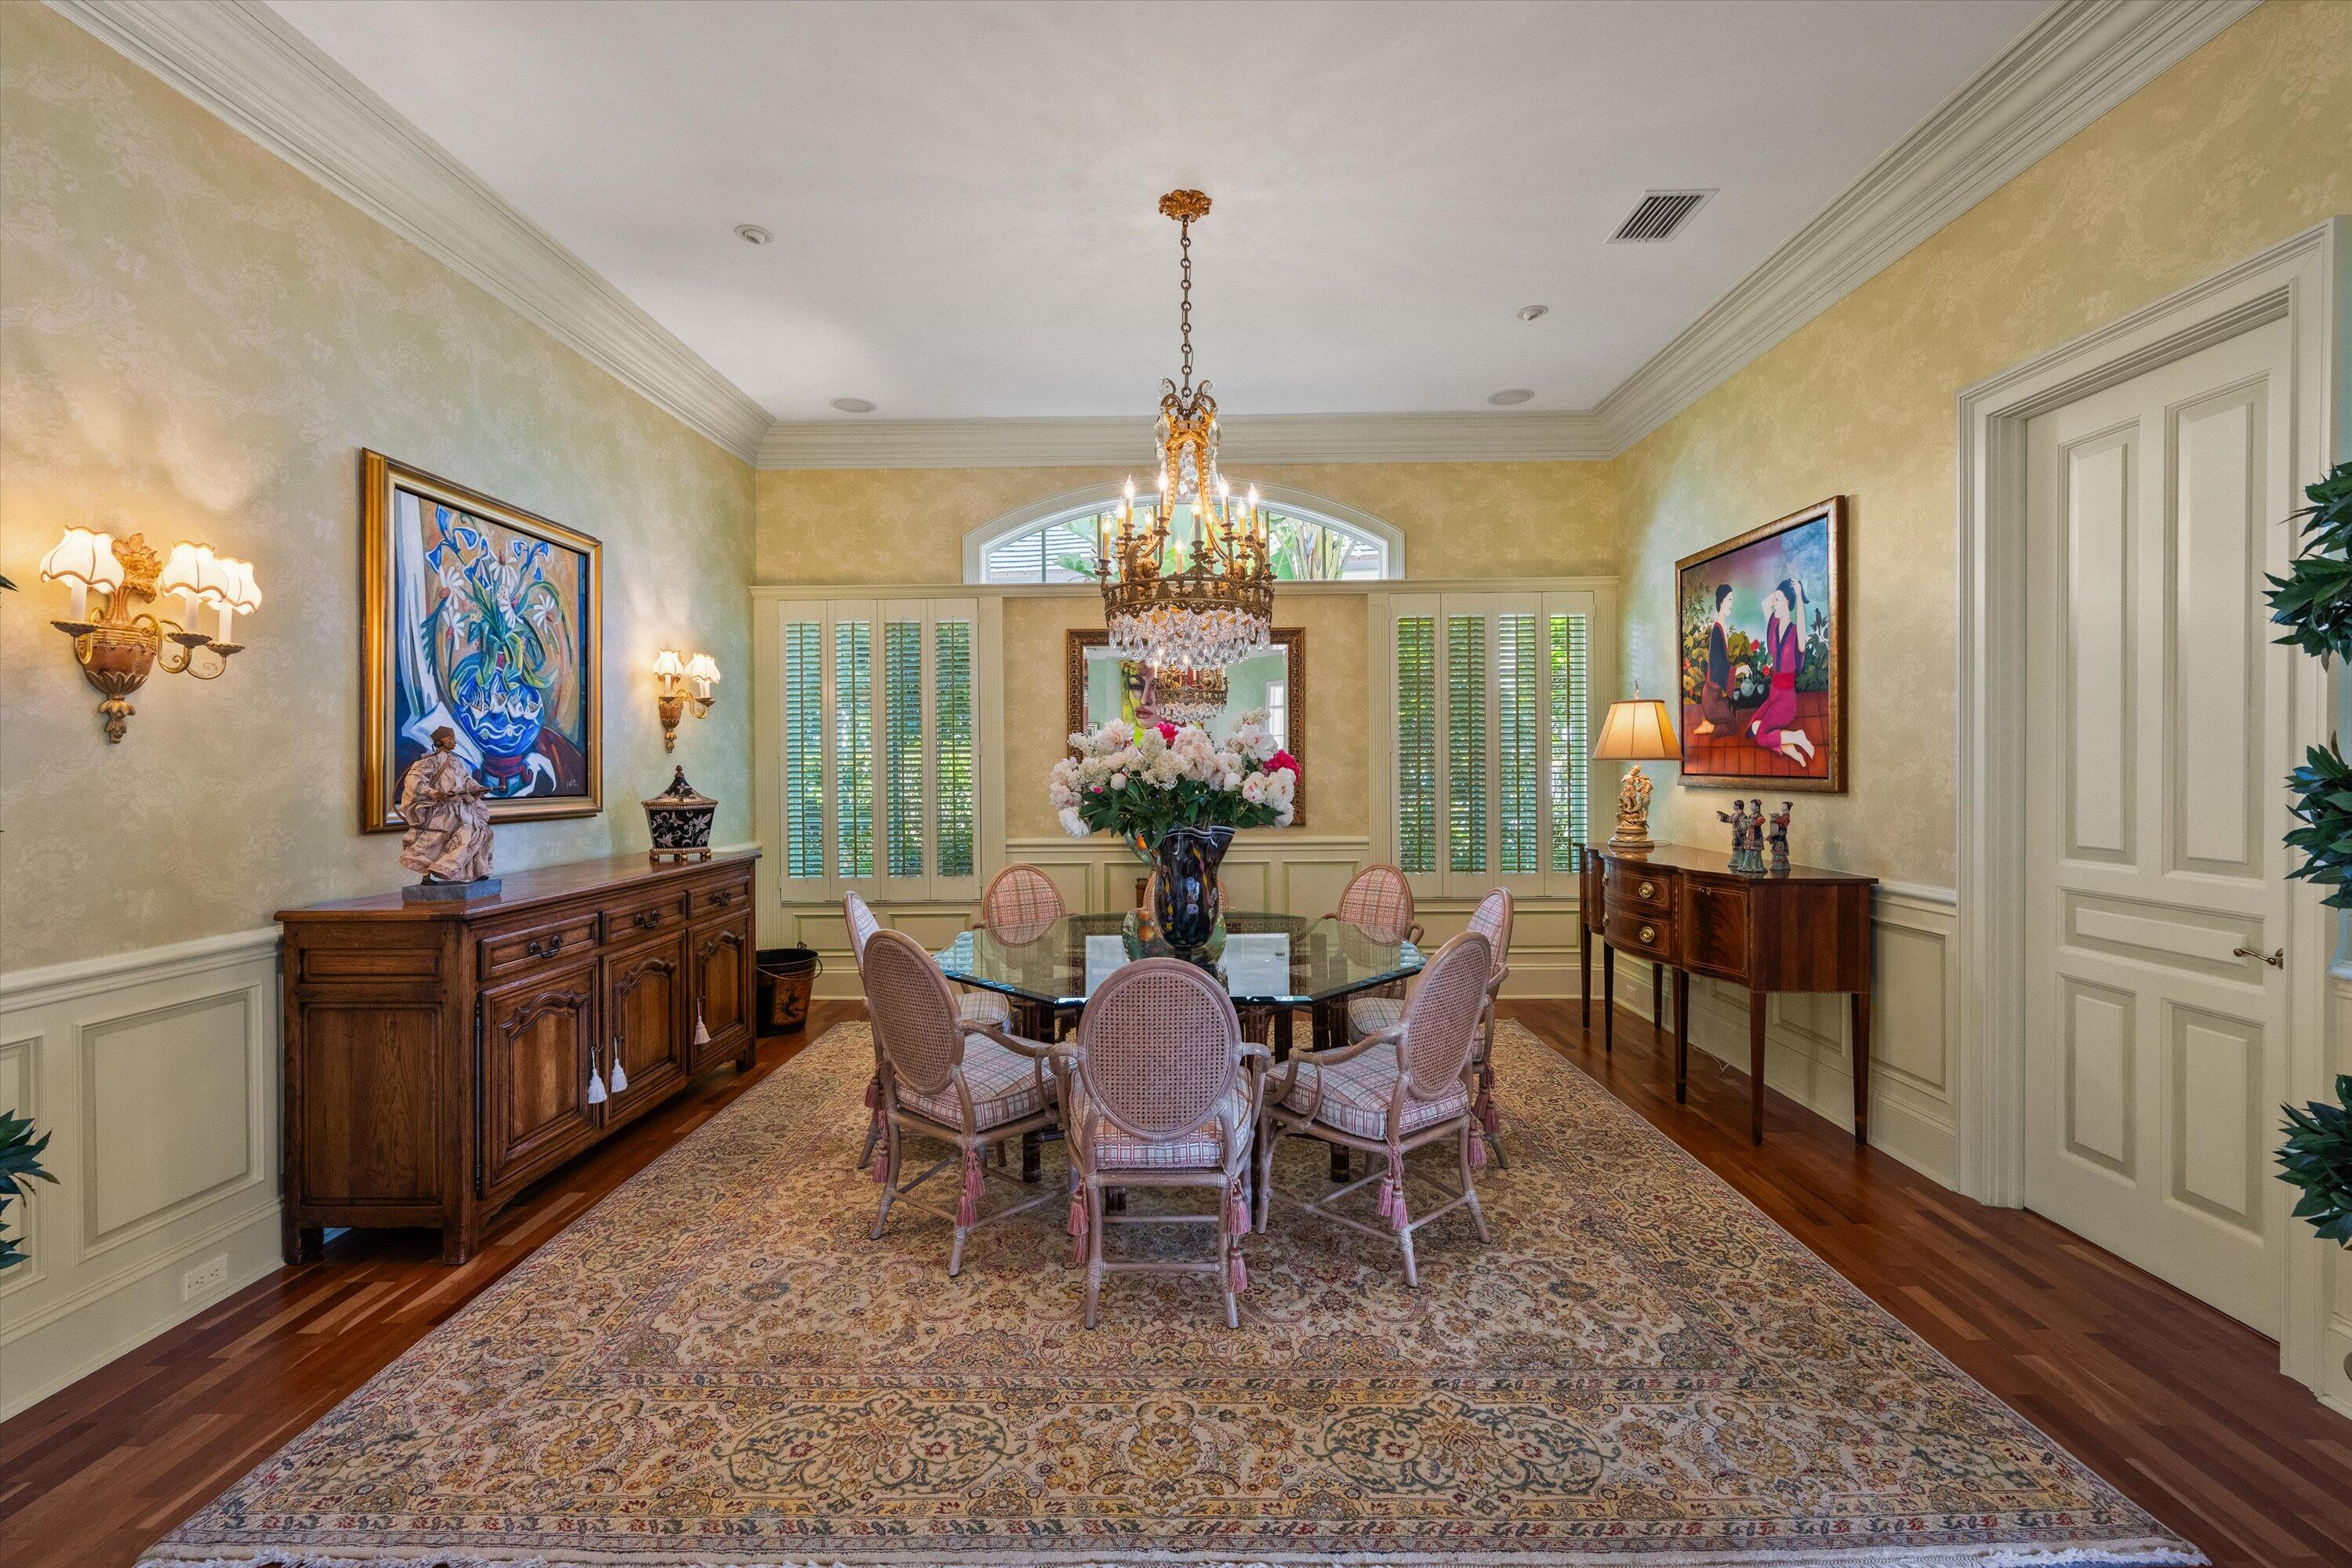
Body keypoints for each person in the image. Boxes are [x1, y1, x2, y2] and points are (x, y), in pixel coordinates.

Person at [397, 726, 495, 883]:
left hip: (460, 807)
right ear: (439, 741)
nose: (454, 741)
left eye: (454, 738)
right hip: (442, 809)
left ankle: (476, 871)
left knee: (481, 833)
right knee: (434, 841)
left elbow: (465, 780)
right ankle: (426, 876)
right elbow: (414, 781)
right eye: (450, 738)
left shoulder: (457, 762)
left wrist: (477, 788)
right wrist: (434, 793)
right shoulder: (428, 762)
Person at [1746, 577, 1817, 766]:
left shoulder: (1795, 633)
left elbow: (1802, 637)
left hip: (1786, 701)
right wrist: (1782, 587)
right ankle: (1789, 745)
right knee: (1753, 727)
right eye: (1775, 600)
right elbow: (1764, 603)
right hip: (1773, 697)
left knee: (1761, 737)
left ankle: (1797, 737)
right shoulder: (1773, 625)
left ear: (1787, 602)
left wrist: (1798, 597)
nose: (1774, 604)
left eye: (1778, 600)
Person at [1694, 584, 1737, 736]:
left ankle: (1709, 721)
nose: (1732, 603)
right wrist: (1737, 671)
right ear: (1721, 602)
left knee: (1732, 717)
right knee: (1733, 727)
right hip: (1711, 699)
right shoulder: (1717, 630)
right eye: (1730, 599)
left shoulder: (1721, 627)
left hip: (1715, 696)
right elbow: (1717, 665)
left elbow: (1721, 664)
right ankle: (1710, 725)